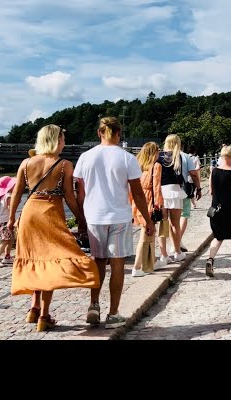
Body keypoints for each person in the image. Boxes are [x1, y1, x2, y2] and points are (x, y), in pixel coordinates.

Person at [8, 125, 100, 332]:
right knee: (50, 262)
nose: (64, 143)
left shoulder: (26, 163)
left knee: (35, 260)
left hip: (29, 214)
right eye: (63, 139)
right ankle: (44, 315)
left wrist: (11, 217)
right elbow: (69, 195)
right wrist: (81, 219)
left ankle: (33, 307)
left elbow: (16, 193)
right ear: (56, 141)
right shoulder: (64, 164)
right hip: (49, 213)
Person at [74, 117, 154, 329]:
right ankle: (113, 313)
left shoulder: (85, 157)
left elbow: (80, 193)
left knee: (98, 261)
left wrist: (82, 219)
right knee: (117, 264)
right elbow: (138, 194)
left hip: (94, 217)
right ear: (119, 133)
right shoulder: (127, 158)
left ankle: (93, 305)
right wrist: (147, 220)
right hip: (119, 216)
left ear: (99, 133)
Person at [205, 145, 231, 277]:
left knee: (218, 237)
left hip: (216, 209)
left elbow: (211, 191)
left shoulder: (214, 172)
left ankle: (210, 260)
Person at [130, 142, 164, 277]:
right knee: (145, 234)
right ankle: (137, 267)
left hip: (137, 201)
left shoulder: (138, 166)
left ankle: (150, 262)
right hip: (149, 201)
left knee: (149, 234)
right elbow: (156, 188)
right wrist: (159, 205)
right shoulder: (156, 167)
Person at [157, 134, 188, 263]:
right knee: (175, 224)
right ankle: (177, 252)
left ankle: (164, 255)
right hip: (175, 190)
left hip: (162, 190)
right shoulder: (179, 156)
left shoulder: (159, 157)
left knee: (163, 224)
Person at [177, 141, 203, 251]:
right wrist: (199, 188)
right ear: (181, 146)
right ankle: (177, 241)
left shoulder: (164, 156)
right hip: (183, 187)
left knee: (171, 217)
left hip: (166, 190)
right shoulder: (185, 156)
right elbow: (193, 174)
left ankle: (174, 244)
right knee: (184, 214)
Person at [0, 176, 16, 267]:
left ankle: (7, 257)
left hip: (2, 220)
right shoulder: (8, 196)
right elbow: (10, 207)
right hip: (6, 221)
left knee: (10, 239)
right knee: (5, 240)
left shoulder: (2, 196)